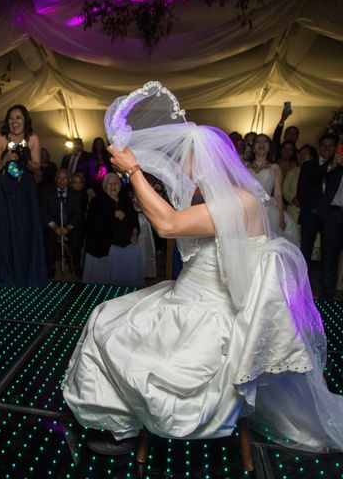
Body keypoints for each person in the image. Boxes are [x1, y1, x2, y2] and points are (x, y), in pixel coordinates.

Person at [63, 82, 343, 455]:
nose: (182, 166)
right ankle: (122, 423)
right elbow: (170, 216)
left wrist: (133, 172)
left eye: (187, 159)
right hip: (184, 297)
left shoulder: (239, 203)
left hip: (208, 313)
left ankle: (125, 424)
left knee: (116, 333)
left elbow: (169, 226)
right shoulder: (213, 197)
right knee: (105, 316)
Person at [0, 104, 46, 287]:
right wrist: (5, 159)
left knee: (25, 229)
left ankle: (28, 273)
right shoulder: (1, 138)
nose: (14, 122)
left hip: (25, 190)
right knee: (6, 229)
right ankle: (7, 275)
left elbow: (37, 166)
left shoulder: (33, 137)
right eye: (11, 118)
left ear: (25, 119)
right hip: (4, 189)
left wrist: (25, 159)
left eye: (18, 118)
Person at [81, 173, 142, 287]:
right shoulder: (97, 200)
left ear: (120, 186)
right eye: (110, 184)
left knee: (135, 249)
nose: (113, 186)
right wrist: (113, 213)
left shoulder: (125, 200)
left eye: (116, 183)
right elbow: (93, 222)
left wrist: (135, 232)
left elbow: (134, 219)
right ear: (104, 186)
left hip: (126, 241)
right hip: (105, 243)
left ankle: (128, 285)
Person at [246, 134, 299, 246]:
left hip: (267, 209)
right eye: (258, 141)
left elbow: (278, 194)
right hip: (247, 206)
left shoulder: (275, 168)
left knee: (265, 241)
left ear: (269, 147)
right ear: (254, 148)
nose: (261, 144)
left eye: (265, 141)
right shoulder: (244, 166)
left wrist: (280, 215)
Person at [297, 134, 337, 264]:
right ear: (319, 147)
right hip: (310, 213)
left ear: (335, 148)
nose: (327, 149)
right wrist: (312, 208)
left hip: (331, 214)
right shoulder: (309, 166)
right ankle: (303, 281)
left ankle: (326, 283)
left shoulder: (339, 167)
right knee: (305, 250)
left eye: (331, 146)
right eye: (324, 145)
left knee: (329, 251)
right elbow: (302, 190)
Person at [39, 168, 84, 278]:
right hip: (53, 226)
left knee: (77, 236)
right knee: (49, 236)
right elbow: (43, 212)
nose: (61, 181)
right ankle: (50, 267)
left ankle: (76, 266)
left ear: (69, 180)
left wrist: (67, 228)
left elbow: (78, 214)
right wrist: (55, 227)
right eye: (59, 178)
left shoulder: (76, 194)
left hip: (69, 226)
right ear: (55, 179)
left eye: (64, 178)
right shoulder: (46, 192)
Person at [317, 137, 343, 300]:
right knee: (330, 255)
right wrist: (333, 165)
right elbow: (315, 177)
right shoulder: (334, 166)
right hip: (333, 214)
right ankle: (327, 293)